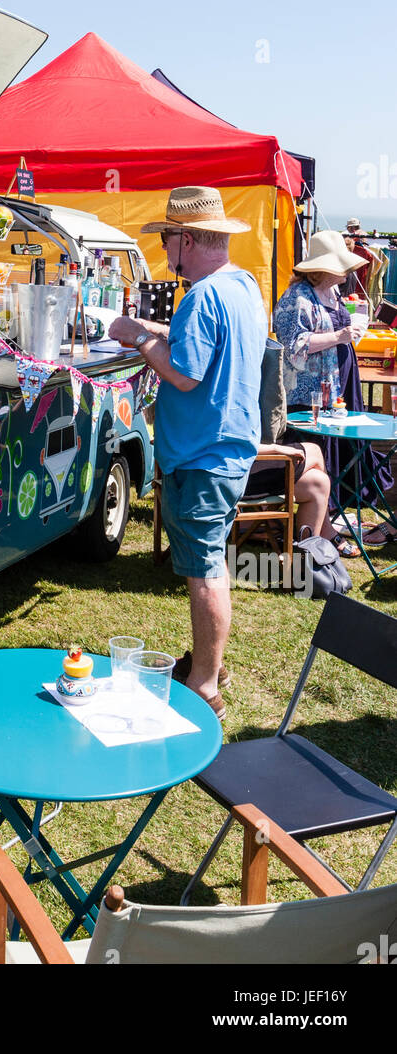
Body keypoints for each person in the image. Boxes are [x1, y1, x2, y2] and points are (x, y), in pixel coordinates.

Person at [109, 186, 267, 720]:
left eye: (167, 239)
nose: (164, 251)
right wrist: (157, 331)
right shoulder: (242, 284)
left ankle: (203, 686)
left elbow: (182, 371)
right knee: (213, 563)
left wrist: (136, 336)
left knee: (205, 573)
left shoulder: (201, 296)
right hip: (228, 450)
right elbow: (203, 345)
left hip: (204, 455)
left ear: (188, 238)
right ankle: (211, 662)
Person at [273, 229, 392, 545]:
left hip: (337, 385)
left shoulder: (332, 293)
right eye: (342, 265)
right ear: (324, 268)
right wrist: (341, 336)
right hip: (307, 393)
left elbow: (338, 331)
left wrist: (353, 332)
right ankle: (319, 531)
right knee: (317, 454)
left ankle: (330, 521)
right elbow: (294, 345)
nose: (349, 271)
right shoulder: (295, 299)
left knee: (336, 452)